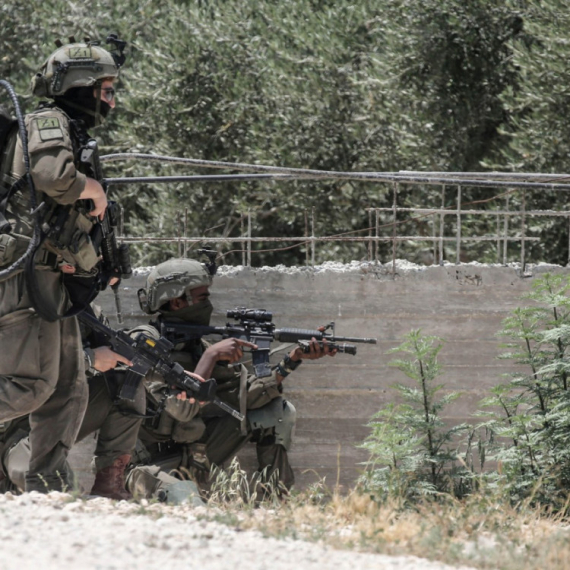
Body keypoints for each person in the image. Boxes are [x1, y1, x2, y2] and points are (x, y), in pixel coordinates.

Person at [0, 35, 125, 492]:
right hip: (25, 273)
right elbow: (53, 177)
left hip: (51, 275)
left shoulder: (70, 129)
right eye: (106, 90)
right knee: (28, 386)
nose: (111, 101)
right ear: (80, 87)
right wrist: (94, 190)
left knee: (67, 387)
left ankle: (47, 485)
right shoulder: (49, 120)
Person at [125, 258, 336, 501]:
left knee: (276, 411)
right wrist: (211, 356)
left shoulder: (196, 347)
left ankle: (276, 500)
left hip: (197, 457)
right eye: (203, 298)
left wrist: (292, 360)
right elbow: (183, 410)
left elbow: (245, 396)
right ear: (177, 301)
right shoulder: (146, 344)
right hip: (150, 467)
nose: (209, 305)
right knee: (187, 504)